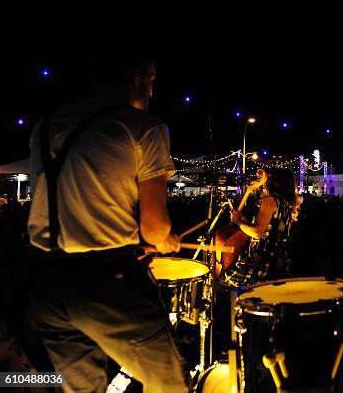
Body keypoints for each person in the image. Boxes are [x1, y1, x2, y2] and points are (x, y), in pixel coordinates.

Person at [26, 46, 190, 392]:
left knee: (82, 389)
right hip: (105, 283)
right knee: (170, 384)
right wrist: (164, 238)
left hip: (44, 284)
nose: (152, 90)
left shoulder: (44, 126)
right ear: (137, 76)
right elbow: (156, 228)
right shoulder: (144, 128)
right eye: (151, 79)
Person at [219, 168, 301, 289]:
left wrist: (237, 221)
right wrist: (244, 221)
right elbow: (270, 227)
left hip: (261, 263)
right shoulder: (287, 204)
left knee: (223, 279)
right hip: (279, 262)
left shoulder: (270, 200)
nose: (265, 183)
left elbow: (257, 233)